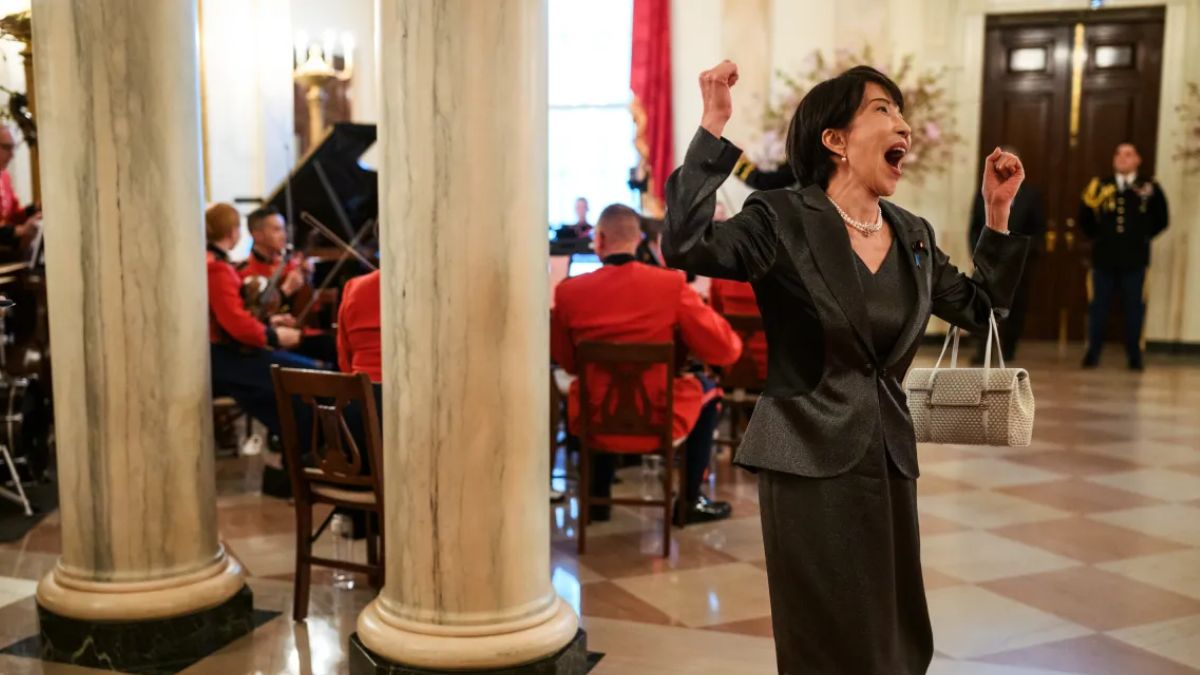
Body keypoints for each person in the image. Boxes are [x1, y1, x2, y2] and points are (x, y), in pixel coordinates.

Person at [664, 61, 1028, 673]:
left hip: (888, 457)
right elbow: (685, 244)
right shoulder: (779, 217)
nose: (903, 125)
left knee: (892, 622)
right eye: (883, 109)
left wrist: (996, 214)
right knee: (826, 634)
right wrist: (712, 126)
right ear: (834, 139)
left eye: (902, 113)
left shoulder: (912, 235)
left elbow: (983, 307)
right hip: (805, 456)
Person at [552, 203, 743, 524]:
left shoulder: (569, 292)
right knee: (709, 390)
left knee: (595, 385)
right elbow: (725, 350)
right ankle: (689, 500)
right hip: (658, 419)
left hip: (592, 419)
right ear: (639, 239)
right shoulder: (670, 286)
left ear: (599, 239)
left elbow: (568, 364)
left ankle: (598, 500)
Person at [206, 202, 322, 495]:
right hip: (228, 358)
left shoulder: (216, 265)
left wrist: (270, 322)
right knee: (302, 381)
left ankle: (298, 464)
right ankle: (298, 470)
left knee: (302, 377)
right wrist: (273, 334)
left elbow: (239, 316)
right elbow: (236, 325)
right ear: (234, 232)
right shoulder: (217, 269)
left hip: (233, 353)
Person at [1079, 142, 1169, 371]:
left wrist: (1142, 236)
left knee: (1134, 308)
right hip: (1104, 259)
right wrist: (1099, 237)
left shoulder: (1149, 186)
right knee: (1098, 307)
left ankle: (1134, 355)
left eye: (1128, 154)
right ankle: (1092, 353)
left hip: (1134, 260)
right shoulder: (1101, 186)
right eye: (1118, 153)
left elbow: (1162, 219)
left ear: (1138, 160)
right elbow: (1085, 218)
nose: (1122, 158)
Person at [967, 148, 1044, 362]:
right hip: (988, 260)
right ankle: (982, 350)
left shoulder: (1031, 195)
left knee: (1016, 307)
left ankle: (1008, 349)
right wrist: (979, 254)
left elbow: (1038, 231)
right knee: (982, 303)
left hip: (1018, 264)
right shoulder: (983, 193)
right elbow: (974, 227)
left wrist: (1020, 255)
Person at [0, 124, 40, 250]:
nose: (12, 154)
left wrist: (34, 209)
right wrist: (20, 230)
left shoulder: (5, 176)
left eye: (13, 148)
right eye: (7, 147)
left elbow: (11, 216)